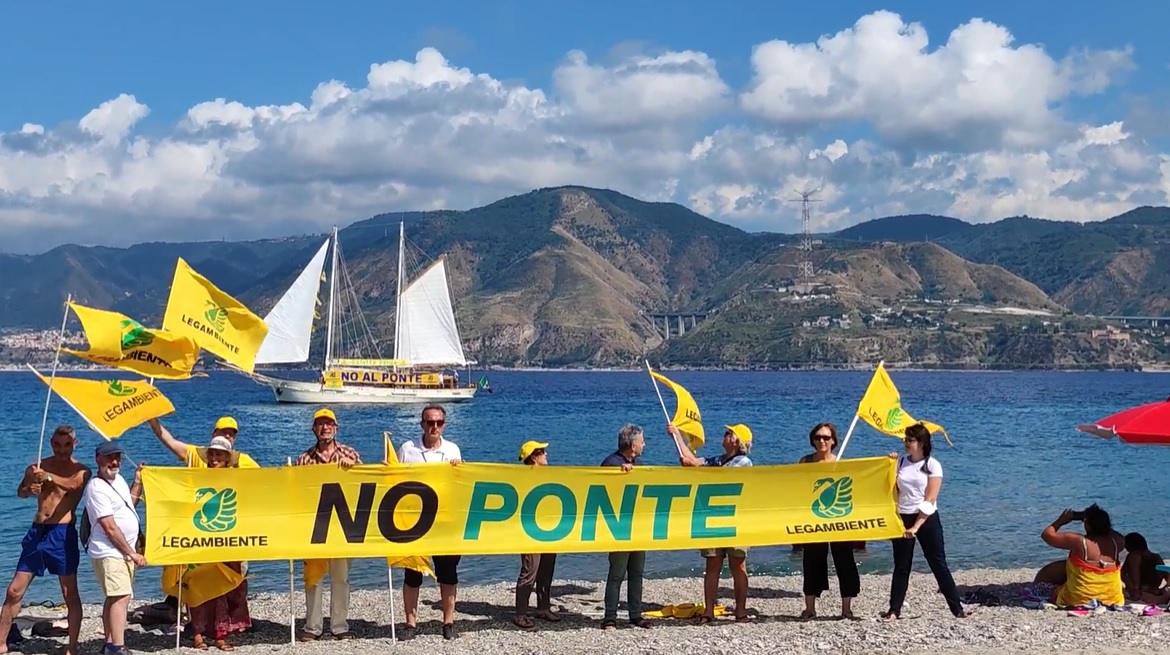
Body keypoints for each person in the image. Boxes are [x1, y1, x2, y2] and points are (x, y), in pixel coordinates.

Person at [0, 426, 90, 655]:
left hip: (62, 534)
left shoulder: (81, 470)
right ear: (51, 443)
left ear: (74, 444)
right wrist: (30, 487)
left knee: (69, 593)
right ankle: (1, 643)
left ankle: (72, 646)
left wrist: (49, 477)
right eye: (58, 445)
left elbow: (73, 485)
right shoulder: (38, 467)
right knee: (14, 591)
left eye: (67, 444)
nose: (62, 450)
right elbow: (21, 492)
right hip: (37, 532)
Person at [881, 423, 970, 622]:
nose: (906, 443)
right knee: (901, 566)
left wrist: (916, 526)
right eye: (905, 439)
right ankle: (894, 610)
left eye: (910, 440)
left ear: (921, 443)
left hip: (926, 518)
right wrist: (890, 465)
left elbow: (930, 499)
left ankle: (957, 609)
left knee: (937, 563)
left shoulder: (932, 465)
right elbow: (890, 488)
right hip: (903, 516)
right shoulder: (901, 462)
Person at [673, 423, 753, 623]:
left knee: (738, 565)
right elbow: (692, 461)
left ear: (736, 441)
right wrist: (678, 437)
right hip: (713, 518)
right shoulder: (718, 459)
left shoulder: (744, 462)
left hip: (736, 520)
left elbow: (721, 476)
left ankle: (740, 611)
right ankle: (709, 610)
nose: (724, 435)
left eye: (728, 433)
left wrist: (694, 466)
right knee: (712, 565)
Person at [396, 405, 463, 641]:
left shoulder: (452, 449)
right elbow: (394, 480)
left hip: (444, 520)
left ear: (444, 424)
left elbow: (460, 485)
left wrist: (458, 471)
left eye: (439, 422)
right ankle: (410, 624)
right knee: (412, 574)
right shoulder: (407, 449)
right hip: (414, 521)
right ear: (422, 424)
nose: (434, 426)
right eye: (430, 422)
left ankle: (448, 622)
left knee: (448, 573)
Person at [293, 408, 359, 642]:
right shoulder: (303, 459)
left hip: (342, 525)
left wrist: (354, 468)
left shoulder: (350, 453)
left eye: (329, 423)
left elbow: (364, 486)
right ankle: (312, 626)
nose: (325, 427)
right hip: (314, 525)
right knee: (313, 578)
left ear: (336, 428)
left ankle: (340, 626)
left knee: (340, 578)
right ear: (314, 429)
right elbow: (294, 491)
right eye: (320, 424)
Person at [186, 437, 252, 650]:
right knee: (197, 586)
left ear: (227, 458)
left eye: (219, 454)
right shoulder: (196, 477)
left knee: (222, 587)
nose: (214, 458)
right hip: (202, 539)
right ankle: (197, 633)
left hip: (227, 540)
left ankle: (220, 633)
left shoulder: (237, 478)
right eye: (212, 454)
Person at [83, 441, 145, 655]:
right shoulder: (96, 488)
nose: (115, 461)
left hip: (122, 552)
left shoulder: (118, 480)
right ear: (98, 459)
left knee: (116, 596)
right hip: (109, 551)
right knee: (121, 596)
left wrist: (137, 482)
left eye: (117, 456)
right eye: (110, 457)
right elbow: (109, 526)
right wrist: (132, 553)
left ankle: (110, 643)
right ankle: (117, 647)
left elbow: (129, 504)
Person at [797, 422, 860, 620]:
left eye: (825, 437)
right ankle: (810, 608)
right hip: (813, 520)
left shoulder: (841, 463)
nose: (821, 441)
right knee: (812, 561)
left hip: (839, 520)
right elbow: (795, 488)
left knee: (844, 560)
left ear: (833, 441)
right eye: (818, 437)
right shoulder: (805, 462)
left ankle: (846, 609)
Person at [599, 423, 652, 631]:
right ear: (632, 444)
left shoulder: (639, 465)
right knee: (617, 573)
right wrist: (619, 475)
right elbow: (602, 486)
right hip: (619, 528)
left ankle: (635, 614)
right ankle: (610, 617)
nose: (644, 445)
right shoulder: (611, 463)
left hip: (638, 527)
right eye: (642, 441)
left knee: (637, 572)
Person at [512, 440, 560, 630]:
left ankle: (543, 607)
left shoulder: (548, 475)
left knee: (547, 570)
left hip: (550, 529)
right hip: (530, 531)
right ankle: (520, 613)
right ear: (534, 457)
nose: (546, 455)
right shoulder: (523, 478)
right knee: (529, 571)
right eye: (542, 452)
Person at [1042, 505, 1125, 607]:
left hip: (1079, 598)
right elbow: (1115, 534)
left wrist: (1061, 521)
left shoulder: (1079, 542)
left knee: (1048, 582)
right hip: (1112, 598)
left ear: (1087, 524)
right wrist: (1102, 524)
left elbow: (1047, 535)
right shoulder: (1117, 542)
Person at [147, 417, 259, 468]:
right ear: (214, 434)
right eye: (224, 431)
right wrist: (152, 419)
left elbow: (264, 481)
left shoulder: (244, 461)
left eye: (231, 434)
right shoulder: (198, 456)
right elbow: (170, 442)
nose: (227, 436)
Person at [1122, 532, 1165, 600]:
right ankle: (1137, 589)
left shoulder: (1133, 556)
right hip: (1151, 589)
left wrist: (1131, 586)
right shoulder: (1156, 557)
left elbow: (1122, 573)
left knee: (1134, 557)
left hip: (1143, 589)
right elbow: (1166, 574)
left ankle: (1136, 590)